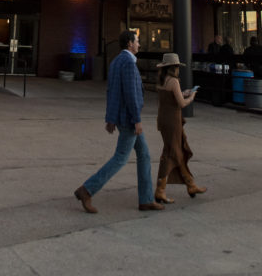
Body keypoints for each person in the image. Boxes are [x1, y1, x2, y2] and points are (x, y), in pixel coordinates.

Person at [74, 30, 162, 213]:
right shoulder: (129, 64)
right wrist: (136, 120)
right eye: (137, 41)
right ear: (130, 43)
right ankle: (87, 189)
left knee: (144, 155)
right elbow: (130, 94)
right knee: (121, 158)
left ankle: (146, 199)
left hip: (122, 117)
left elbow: (112, 92)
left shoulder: (115, 62)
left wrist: (111, 118)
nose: (139, 44)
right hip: (129, 119)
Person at [154, 52, 206, 204]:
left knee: (176, 151)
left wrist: (183, 93)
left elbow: (170, 98)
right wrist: (191, 97)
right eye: (177, 67)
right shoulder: (174, 81)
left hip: (163, 119)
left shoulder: (161, 80)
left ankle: (191, 185)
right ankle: (160, 190)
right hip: (173, 121)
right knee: (173, 153)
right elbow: (182, 104)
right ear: (174, 67)